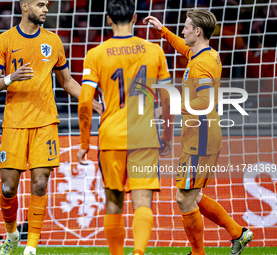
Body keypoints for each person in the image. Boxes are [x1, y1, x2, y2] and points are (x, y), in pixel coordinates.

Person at [0, 0, 102, 254]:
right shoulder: (4, 40)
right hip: (15, 122)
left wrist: (94, 104)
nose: (46, 9)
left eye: (47, 5)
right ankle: (12, 234)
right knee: (8, 188)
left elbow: (68, 81)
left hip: (45, 121)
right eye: (40, 4)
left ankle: (31, 247)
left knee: (40, 183)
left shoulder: (54, 40)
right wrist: (10, 78)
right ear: (24, 6)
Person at [144, 9, 253, 255]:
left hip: (202, 139)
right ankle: (238, 232)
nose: (182, 31)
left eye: (185, 27)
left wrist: (169, 107)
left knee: (184, 199)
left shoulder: (202, 63)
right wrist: (163, 30)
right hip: (199, 136)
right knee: (191, 196)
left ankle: (199, 252)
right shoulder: (204, 53)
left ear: (197, 31)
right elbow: (183, 47)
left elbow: (204, 102)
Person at [77, 1, 173, 255]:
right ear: (135, 18)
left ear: (108, 19)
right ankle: (138, 252)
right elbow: (167, 97)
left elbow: (86, 100)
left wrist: (84, 142)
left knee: (113, 202)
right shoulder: (154, 51)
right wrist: (166, 134)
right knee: (142, 202)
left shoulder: (96, 53)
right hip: (144, 136)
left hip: (111, 137)